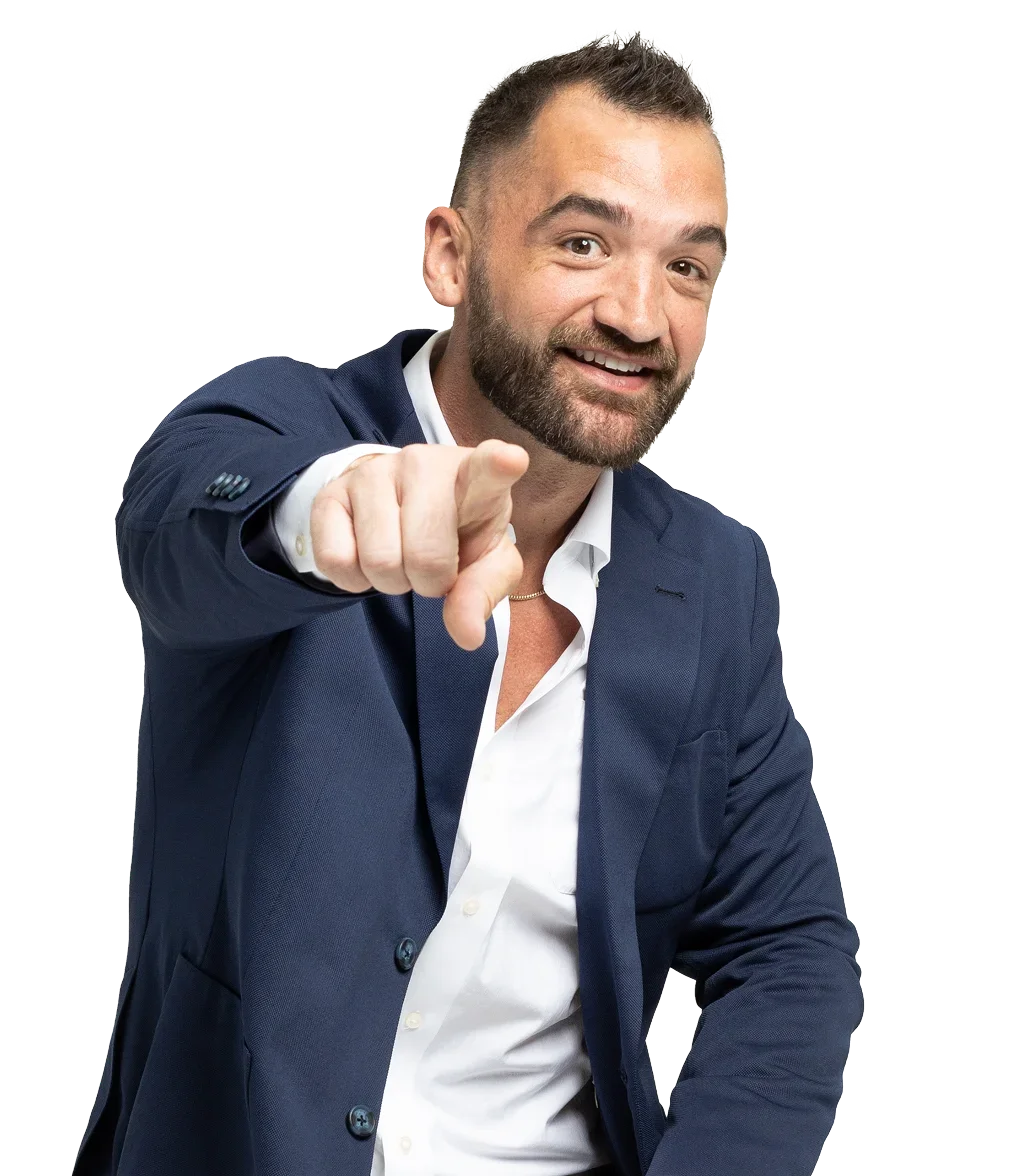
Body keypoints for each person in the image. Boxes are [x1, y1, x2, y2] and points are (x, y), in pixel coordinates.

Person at [77, 29, 863, 1176]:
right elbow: (180, 530)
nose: (640, 317)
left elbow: (788, 947)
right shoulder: (278, 428)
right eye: (584, 242)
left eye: (687, 267)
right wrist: (330, 512)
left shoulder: (713, 580)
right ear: (448, 256)